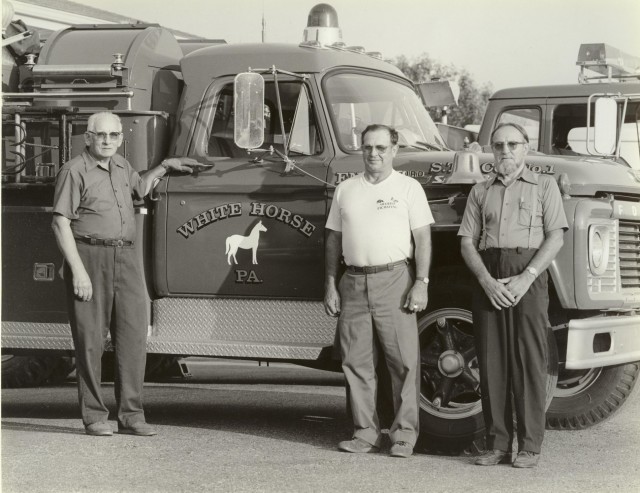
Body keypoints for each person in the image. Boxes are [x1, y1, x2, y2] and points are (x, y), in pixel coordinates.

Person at [52, 111, 194, 436]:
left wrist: (164, 167)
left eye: (113, 135)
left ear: (120, 139)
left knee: (132, 337)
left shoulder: (122, 167)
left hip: (126, 256)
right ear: (87, 138)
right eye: (100, 135)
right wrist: (78, 272)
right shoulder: (74, 171)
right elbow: (60, 223)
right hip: (89, 255)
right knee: (90, 341)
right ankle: (94, 417)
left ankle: (131, 415)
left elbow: (139, 189)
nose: (106, 141)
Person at [458, 122, 568, 468]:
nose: (506, 151)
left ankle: (530, 446)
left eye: (513, 145)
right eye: (499, 145)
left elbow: (555, 238)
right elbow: (466, 241)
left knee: (529, 361)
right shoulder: (480, 191)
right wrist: (486, 281)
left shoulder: (545, 186)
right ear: (492, 149)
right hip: (488, 275)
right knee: (491, 362)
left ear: (526, 148)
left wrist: (526, 277)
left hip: (529, 277)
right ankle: (498, 444)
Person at [324, 124, 433, 458]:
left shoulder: (409, 188)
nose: (374, 154)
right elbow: (333, 239)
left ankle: (404, 435)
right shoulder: (346, 189)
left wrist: (421, 282)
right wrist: (330, 283)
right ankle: (365, 432)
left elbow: (423, 238)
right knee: (356, 362)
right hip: (353, 281)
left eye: (381, 148)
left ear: (394, 150)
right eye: (368, 147)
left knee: (403, 362)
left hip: (395, 280)